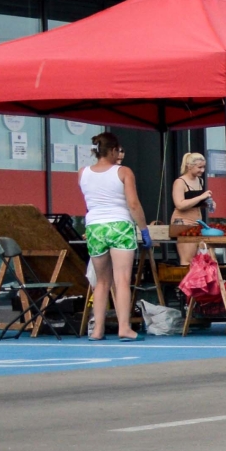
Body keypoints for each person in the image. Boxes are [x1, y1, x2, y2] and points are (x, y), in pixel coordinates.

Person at [79, 133, 142, 340]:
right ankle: (124, 328)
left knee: (101, 282)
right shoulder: (123, 172)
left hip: (95, 227)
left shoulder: (83, 173)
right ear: (114, 150)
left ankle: (97, 330)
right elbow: (133, 204)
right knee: (122, 280)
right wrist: (144, 229)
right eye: (119, 151)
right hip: (120, 225)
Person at [168, 151, 214, 265]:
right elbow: (180, 204)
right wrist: (201, 197)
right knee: (187, 259)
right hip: (182, 221)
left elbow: (196, 202)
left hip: (197, 221)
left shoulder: (200, 180)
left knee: (200, 258)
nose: (202, 170)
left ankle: (196, 282)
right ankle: (186, 282)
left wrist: (208, 202)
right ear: (189, 166)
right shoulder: (180, 182)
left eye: (204, 167)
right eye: (199, 167)